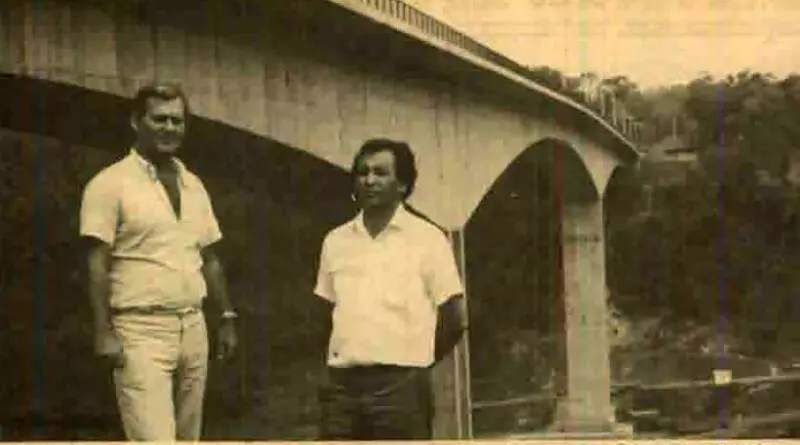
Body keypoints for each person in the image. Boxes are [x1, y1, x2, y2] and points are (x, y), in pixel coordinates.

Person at [79, 83, 238, 441]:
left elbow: (209, 258)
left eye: (177, 121)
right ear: (137, 122)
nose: (169, 128)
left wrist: (227, 316)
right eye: (160, 119)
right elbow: (97, 263)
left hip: (193, 326)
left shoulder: (193, 184)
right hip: (140, 329)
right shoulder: (109, 184)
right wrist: (103, 331)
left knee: (188, 438)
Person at [314, 138, 467, 440]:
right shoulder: (335, 241)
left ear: (403, 184)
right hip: (341, 391)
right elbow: (325, 312)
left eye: (381, 173)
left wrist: (414, 360)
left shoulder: (428, 239)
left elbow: (454, 319)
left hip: (401, 390)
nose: (369, 180)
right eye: (363, 172)